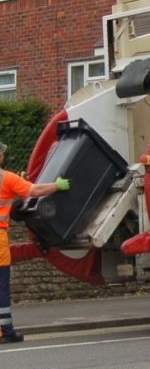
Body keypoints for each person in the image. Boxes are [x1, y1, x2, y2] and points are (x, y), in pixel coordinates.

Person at [0, 140, 70, 343]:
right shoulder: (6, 178)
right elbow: (35, 191)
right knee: (1, 285)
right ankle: (5, 330)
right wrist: (57, 185)